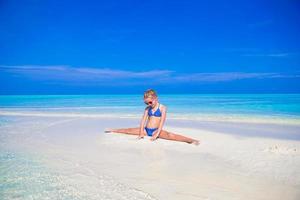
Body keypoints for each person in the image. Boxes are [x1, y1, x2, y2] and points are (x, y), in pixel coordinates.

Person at [105, 89, 200, 145]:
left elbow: (162, 122)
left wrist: (157, 134)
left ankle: (191, 140)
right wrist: (141, 133)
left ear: (156, 98)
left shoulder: (163, 108)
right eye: (146, 103)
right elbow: (143, 121)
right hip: (146, 130)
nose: (149, 104)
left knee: (170, 136)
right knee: (129, 130)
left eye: (150, 102)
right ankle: (113, 130)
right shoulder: (147, 109)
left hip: (156, 130)